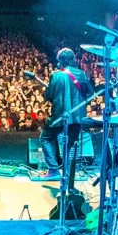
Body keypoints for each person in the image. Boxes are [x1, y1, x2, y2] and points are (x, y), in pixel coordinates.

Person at [37, 48, 94, 181]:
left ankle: (53, 170)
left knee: (45, 138)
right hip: (78, 117)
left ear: (61, 60)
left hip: (59, 116)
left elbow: (49, 96)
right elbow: (90, 94)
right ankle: (67, 175)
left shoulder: (56, 75)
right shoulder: (81, 74)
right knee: (68, 146)